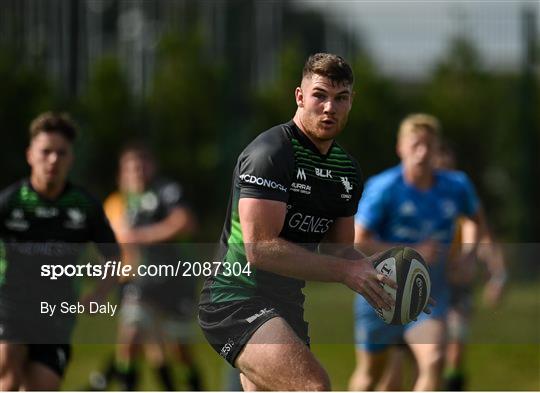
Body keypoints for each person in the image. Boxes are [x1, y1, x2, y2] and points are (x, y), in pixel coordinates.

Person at [198, 52, 398, 391]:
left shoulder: (346, 170)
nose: (329, 107)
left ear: (351, 103)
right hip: (235, 299)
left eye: (341, 98)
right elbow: (259, 249)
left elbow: (339, 251)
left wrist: (377, 273)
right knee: (312, 386)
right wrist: (346, 272)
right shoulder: (271, 154)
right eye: (320, 95)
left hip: (286, 304)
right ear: (300, 96)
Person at [348, 113, 483, 391]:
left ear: (437, 150)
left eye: (428, 146)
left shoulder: (456, 186)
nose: (422, 153)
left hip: (428, 299)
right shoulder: (384, 187)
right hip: (381, 295)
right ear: (400, 148)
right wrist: (411, 251)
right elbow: (358, 240)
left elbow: (476, 221)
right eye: (415, 145)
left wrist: (467, 256)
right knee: (371, 375)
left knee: (433, 360)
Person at [0, 112, 118, 390]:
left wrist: (99, 293)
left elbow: (113, 257)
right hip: (9, 306)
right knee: (7, 369)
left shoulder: (84, 205)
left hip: (56, 311)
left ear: (71, 159)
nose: (53, 159)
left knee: (43, 386)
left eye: (61, 153)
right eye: (46, 152)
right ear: (30, 155)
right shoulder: (11, 202)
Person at [87, 143, 201, 391]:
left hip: (174, 281)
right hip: (140, 283)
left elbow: (184, 222)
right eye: (131, 167)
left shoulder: (166, 191)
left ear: (152, 167)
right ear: (122, 173)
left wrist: (141, 235)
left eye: (141, 165)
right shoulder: (120, 203)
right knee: (130, 338)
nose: (137, 171)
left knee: (178, 350)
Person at [435, 140, 507, 391]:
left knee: (455, 346)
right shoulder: (412, 197)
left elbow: (484, 235)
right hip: (424, 283)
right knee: (430, 355)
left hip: (456, 283)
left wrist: (498, 276)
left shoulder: (461, 198)